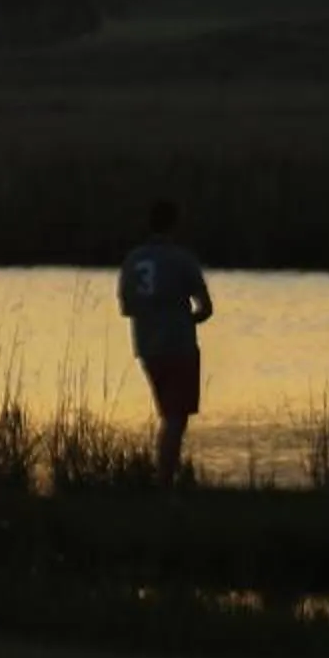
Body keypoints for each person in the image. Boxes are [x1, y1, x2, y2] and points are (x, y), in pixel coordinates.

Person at [118, 199, 214, 489]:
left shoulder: (133, 260)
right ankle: (164, 481)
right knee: (176, 417)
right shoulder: (183, 259)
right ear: (175, 225)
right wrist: (186, 319)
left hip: (147, 347)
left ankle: (162, 477)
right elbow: (206, 308)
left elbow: (126, 307)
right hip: (179, 344)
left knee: (167, 414)